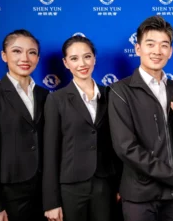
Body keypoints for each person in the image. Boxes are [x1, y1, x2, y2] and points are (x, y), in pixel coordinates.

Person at [108, 15, 173, 221]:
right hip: (139, 197)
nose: (157, 51)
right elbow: (126, 148)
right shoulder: (120, 91)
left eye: (164, 45)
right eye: (150, 44)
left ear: (170, 51)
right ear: (138, 48)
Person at [43, 35, 121, 221]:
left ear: (94, 58)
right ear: (65, 62)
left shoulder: (111, 95)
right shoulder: (56, 99)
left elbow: (119, 145)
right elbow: (50, 153)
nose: (82, 63)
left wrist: (121, 186)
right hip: (71, 187)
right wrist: (51, 202)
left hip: (105, 183)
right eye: (74, 58)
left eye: (87, 56)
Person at [0, 29, 49, 221]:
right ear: (4, 55)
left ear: (38, 58)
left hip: (43, 190)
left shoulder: (44, 95)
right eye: (17, 51)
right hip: (10, 194)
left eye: (31, 52)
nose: (25, 58)